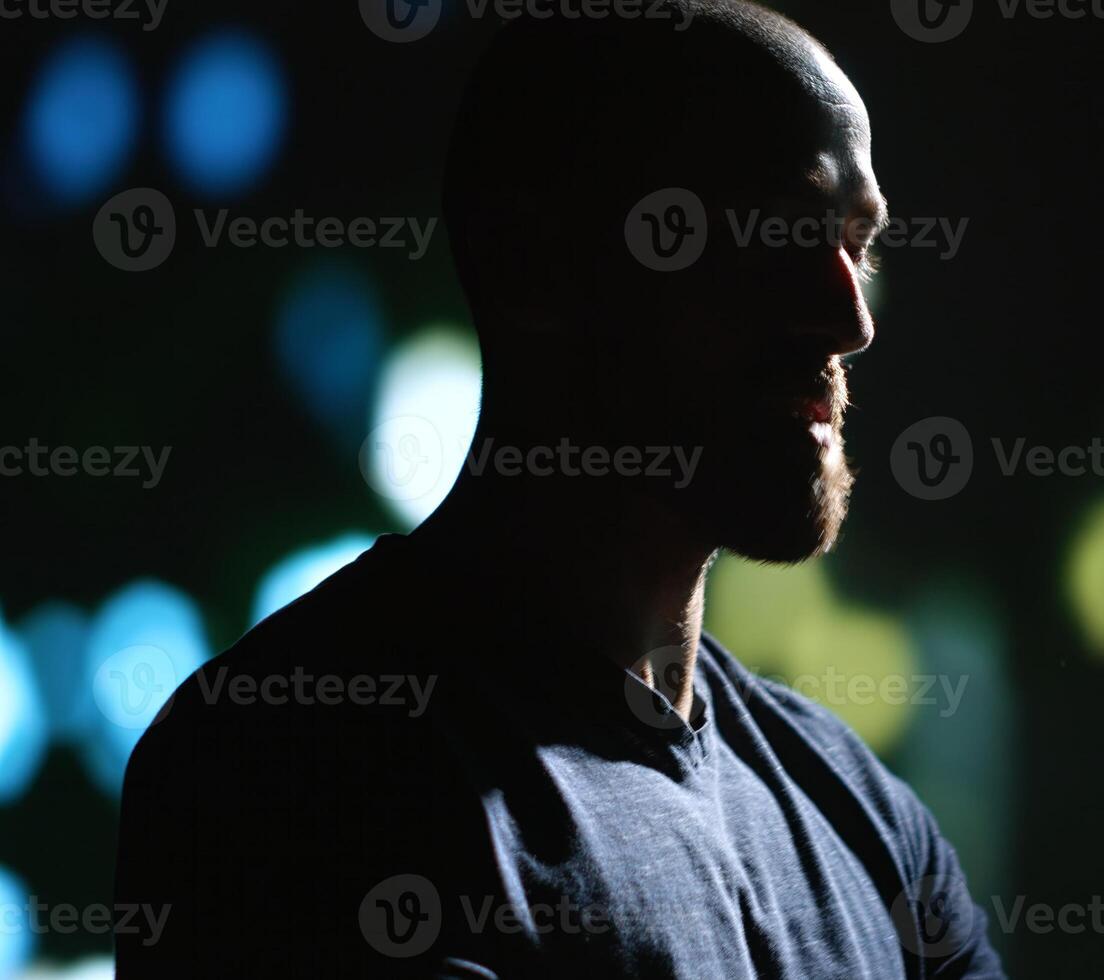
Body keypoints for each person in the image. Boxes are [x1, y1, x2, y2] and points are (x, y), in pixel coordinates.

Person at [113, 1, 1004, 976]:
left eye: (856, 243)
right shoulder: (286, 770)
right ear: (536, 264)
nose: (847, 320)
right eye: (778, 232)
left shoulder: (871, 825)